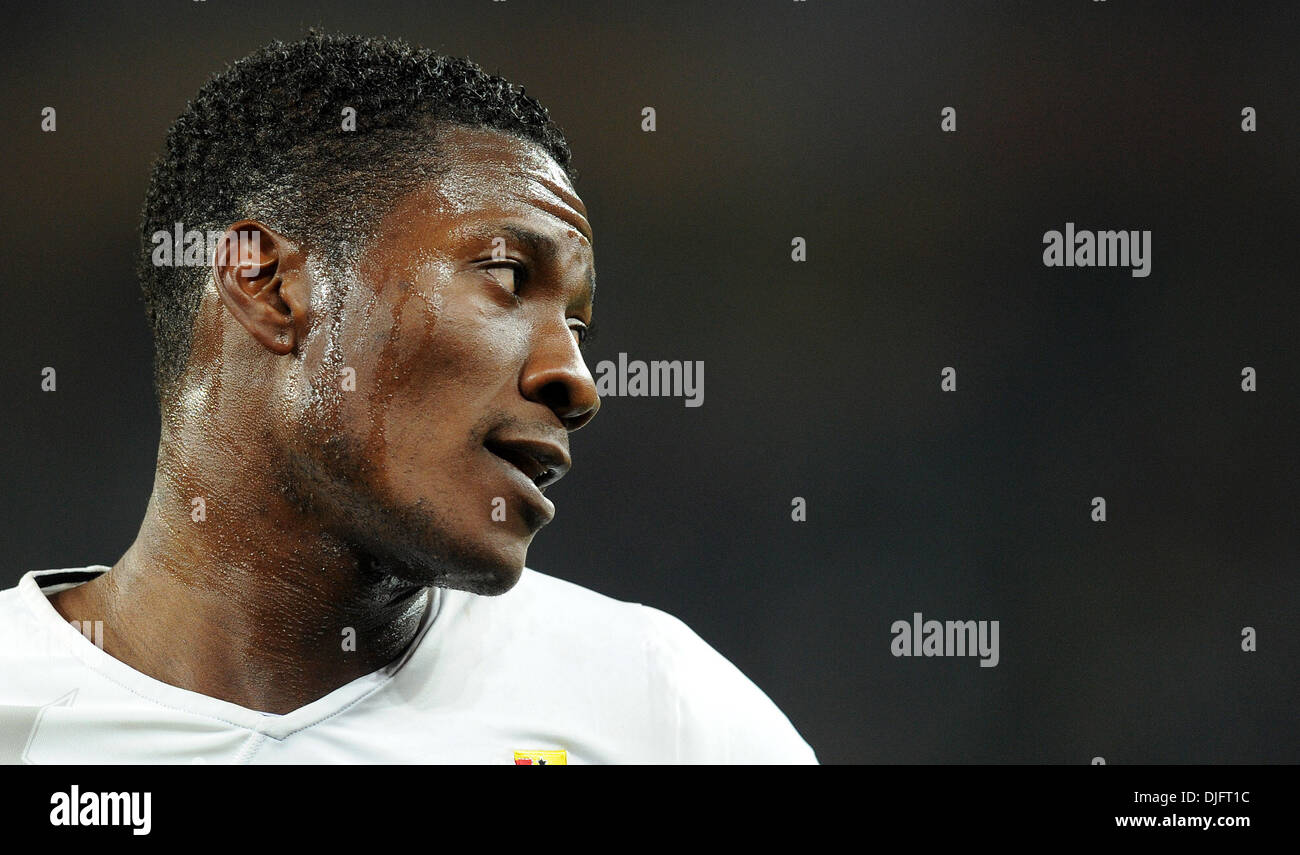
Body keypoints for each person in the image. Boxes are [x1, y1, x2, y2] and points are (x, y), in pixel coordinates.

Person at [0, 31, 816, 764]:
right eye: (506, 277)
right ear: (270, 285)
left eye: (578, 325)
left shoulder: (658, 712)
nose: (577, 382)